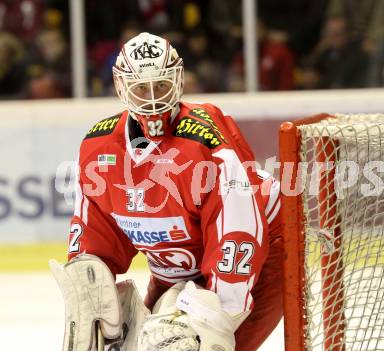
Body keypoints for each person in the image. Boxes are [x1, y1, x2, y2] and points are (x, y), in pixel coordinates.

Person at [51, 32, 282, 351]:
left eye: (160, 84)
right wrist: (89, 289)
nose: (152, 97)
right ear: (122, 87)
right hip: (175, 266)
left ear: (178, 80)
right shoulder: (98, 147)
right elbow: (96, 235)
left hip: (261, 252)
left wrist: (216, 316)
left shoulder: (206, 144)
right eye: (140, 87)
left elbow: (238, 231)